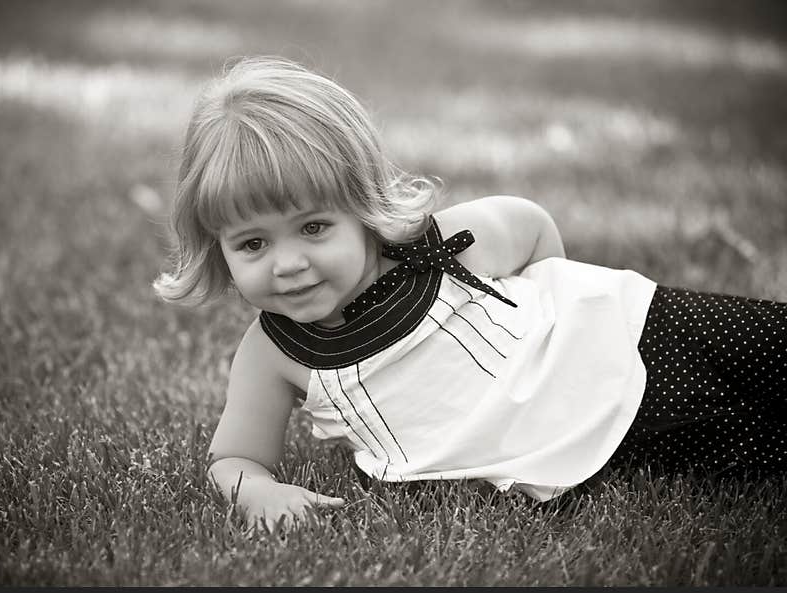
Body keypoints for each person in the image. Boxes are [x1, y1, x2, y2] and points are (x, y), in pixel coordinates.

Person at [154, 56, 787, 531]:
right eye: (252, 245)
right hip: (598, 442)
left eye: (314, 228)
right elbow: (233, 458)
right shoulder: (273, 355)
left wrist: (550, 334)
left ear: (364, 207)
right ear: (219, 248)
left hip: (640, 328)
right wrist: (257, 491)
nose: (287, 265)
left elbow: (531, 224)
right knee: (754, 450)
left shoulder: (437, 246)